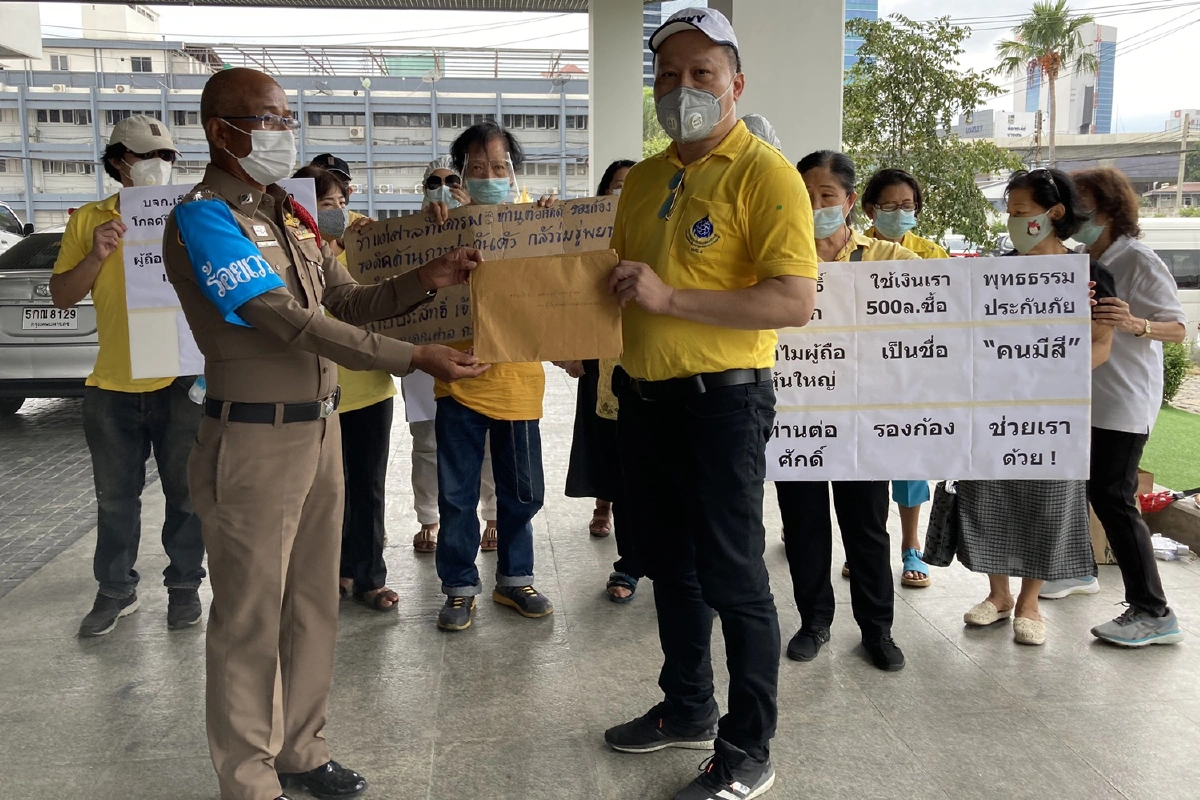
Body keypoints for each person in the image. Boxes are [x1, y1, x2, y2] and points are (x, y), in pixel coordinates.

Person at [163, 67, 487, 800]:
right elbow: (285, 320)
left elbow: (346, 300)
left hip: (319, 432)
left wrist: (426, 279)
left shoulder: (289, 214)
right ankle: (249, 781)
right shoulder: (203, 219)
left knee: (312, 602)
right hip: (252, 442)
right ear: (221, 130)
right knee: (250, 618)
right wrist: (412, 357)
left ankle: (301, 750)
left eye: (287, 118)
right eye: (268, 119)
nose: (284, 131)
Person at [602, 9, 818, 799]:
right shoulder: (646, 178)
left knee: (734, 577)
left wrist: (671, 298)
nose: (682, 88)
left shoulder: (766, 174)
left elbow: (794, 300)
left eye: (702, 73)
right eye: (668, 75)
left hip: (722, 407)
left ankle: (748, 747)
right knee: (671, 568)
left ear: (736, 84)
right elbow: (615, 280)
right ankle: (688, 706)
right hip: (645, 401)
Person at [49, 115, 206, 638]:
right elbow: (62, 296)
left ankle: (184, 587)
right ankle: (115, 591)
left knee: (188, 495)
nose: (159, 164)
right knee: (115, 500)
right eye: (146, 155)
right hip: (114, 383)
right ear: (118, 161)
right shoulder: (89, 221)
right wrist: (98, 254)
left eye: (167, 156)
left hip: (183, 380)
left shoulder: (193, 216)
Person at [957, 167, 1114, 647]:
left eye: (1021, 211)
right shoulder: (994, 271)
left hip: (1053, 413)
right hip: (993, 407)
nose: (1012, 221)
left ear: (1055, 213)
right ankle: (998, 594)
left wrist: (1052, 377)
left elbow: (1102, 344)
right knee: (988, 494)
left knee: (1047, 501)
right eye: (1009, 212)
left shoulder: (1089, 275)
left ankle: (1030, 603)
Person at [778, 151, 918, 672]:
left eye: (827, 196)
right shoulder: (775, 259)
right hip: (796, 420)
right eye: (805, 196)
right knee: (804, 526)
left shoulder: (889, 258)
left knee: (867, 528)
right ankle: (814, 621)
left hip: (863, 423)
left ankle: (877, 629)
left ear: (850, 200)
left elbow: (951, 299)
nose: (815, 206)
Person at [1052, 166, 1185, 646]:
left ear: (1108, 211)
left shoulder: (1138, 260)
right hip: (1083, 396)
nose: (1075, 216)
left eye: (1083, 208)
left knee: (1114, 496)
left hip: (1123, 401)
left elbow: (1178, 328)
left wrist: (1136, 324)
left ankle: (1153, 610)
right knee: (1084, 487)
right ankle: (1077, 570)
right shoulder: (1079, 259)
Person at [431, 121, 556, 632]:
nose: (489, 177)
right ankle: (459, 587)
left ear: (514, 174)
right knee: (456, 494)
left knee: (523, 492)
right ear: (460, 175)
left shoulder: (535, 222)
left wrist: (555, 229)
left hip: (518, 385)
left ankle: (515, 578)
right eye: (478, 168)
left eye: (499, 167)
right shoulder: (440, 223)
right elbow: (406, 276)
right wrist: (433, 223)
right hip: (457, 379)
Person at [291, 164, 400, 612]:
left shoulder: (364, 235)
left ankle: (371, 575)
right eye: (324, 204)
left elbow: (384, 292)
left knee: (367, 485)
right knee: (324, 490)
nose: (337, 211)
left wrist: (372, 243)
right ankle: (336, 569)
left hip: (369, 386)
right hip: (313, 390)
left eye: (341, 201)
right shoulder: (287, 242)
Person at [860, 167, 950, 590]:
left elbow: (950, 313)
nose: (901, 212)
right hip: (860, 376)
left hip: (912, 377)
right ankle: (866, 546)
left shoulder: (931, 255)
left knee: (909, 463)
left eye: (908, 205)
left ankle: (911, 546)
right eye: (891, 205)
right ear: (869, 209)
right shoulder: (851, 252)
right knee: (863, 466)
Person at [560, 158, 643, 602]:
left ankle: (676, 568)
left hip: (661, 366)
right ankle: (629, 564)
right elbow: (569, 297)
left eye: (634, 186)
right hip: (607, 370)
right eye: (617, 185)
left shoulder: (658, 233)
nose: (624, 194)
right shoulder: (588, 240)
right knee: (620, 464)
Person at [409, 156, 500, 555]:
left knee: (489, 438)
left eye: (453, 180)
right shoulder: (405, 232)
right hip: (424, 347)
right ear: (423, 188)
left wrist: (471, 215)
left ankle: (493, 515)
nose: (444, 188)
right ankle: (429, 518)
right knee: (426, 440)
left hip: (477, 346)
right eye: (435, 181)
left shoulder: (487, 223)